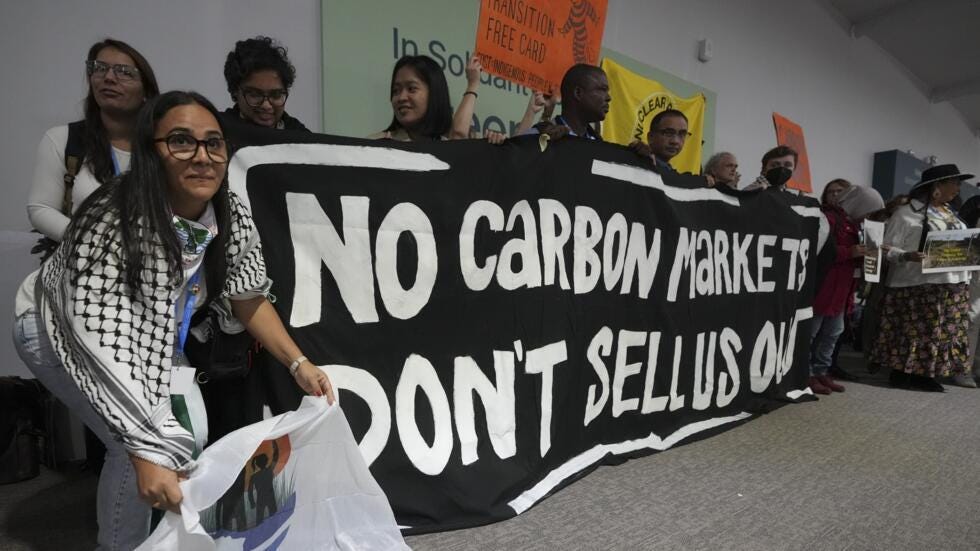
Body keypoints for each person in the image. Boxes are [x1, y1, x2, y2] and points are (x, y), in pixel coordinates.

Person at [13, 90, 335, 549]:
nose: (202, 157)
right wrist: (142, 446)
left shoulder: (228, 211)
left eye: (214, 143)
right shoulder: (112, 216)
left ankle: (166, 534)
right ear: (152, 151)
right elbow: (95, 338)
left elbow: (248, 298)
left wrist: (299, 364)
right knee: (146, 446)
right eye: (181, 142)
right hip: (57, 329)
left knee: (187, 433)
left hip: (148, 331)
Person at [28, 39, 159, 246]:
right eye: (99, 69)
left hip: (152, 264)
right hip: (84, 266)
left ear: (146, 91)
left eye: (123, 71)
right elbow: (41, 208)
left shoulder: (163, 146)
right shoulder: (64, 140)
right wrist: (93, 243)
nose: (108, 78)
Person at [872, 164, 976, 391]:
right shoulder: (906, 213)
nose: (958, 188)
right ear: (936, 186)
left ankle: (927, 374)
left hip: (951, 282)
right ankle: (901, 373)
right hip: (915, 283)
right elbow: (883, 247)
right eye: (954, 183)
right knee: (912, 330)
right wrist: (906, 255)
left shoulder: (950, 213)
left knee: (940, 332)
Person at [808, 180, 884, 394]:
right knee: (811, 334)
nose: (869, 216)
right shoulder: (829, 219)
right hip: (824, 287)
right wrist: (849, 252)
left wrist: (870, 254)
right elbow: (819, 251)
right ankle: (807, 373)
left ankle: (821, 371)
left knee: (833, 334)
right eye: (868, 210)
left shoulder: (854, 226)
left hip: (842, 290)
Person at [223, 36, 308, 131]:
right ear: (235, 91)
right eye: (255, 95)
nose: (266, 106)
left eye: (276, 95)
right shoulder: (218, 131)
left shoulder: (300, 137)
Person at [525, 63, 609, 140]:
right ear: (578, 93)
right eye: (602, 90)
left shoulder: (599, 145)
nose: (609, 98)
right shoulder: (537, 138)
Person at [631, 109, 689, 174]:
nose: (675, 141)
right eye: (668, 133)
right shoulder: (634, 162)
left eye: (682, 134)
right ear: (651, 137)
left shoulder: (672, 173)